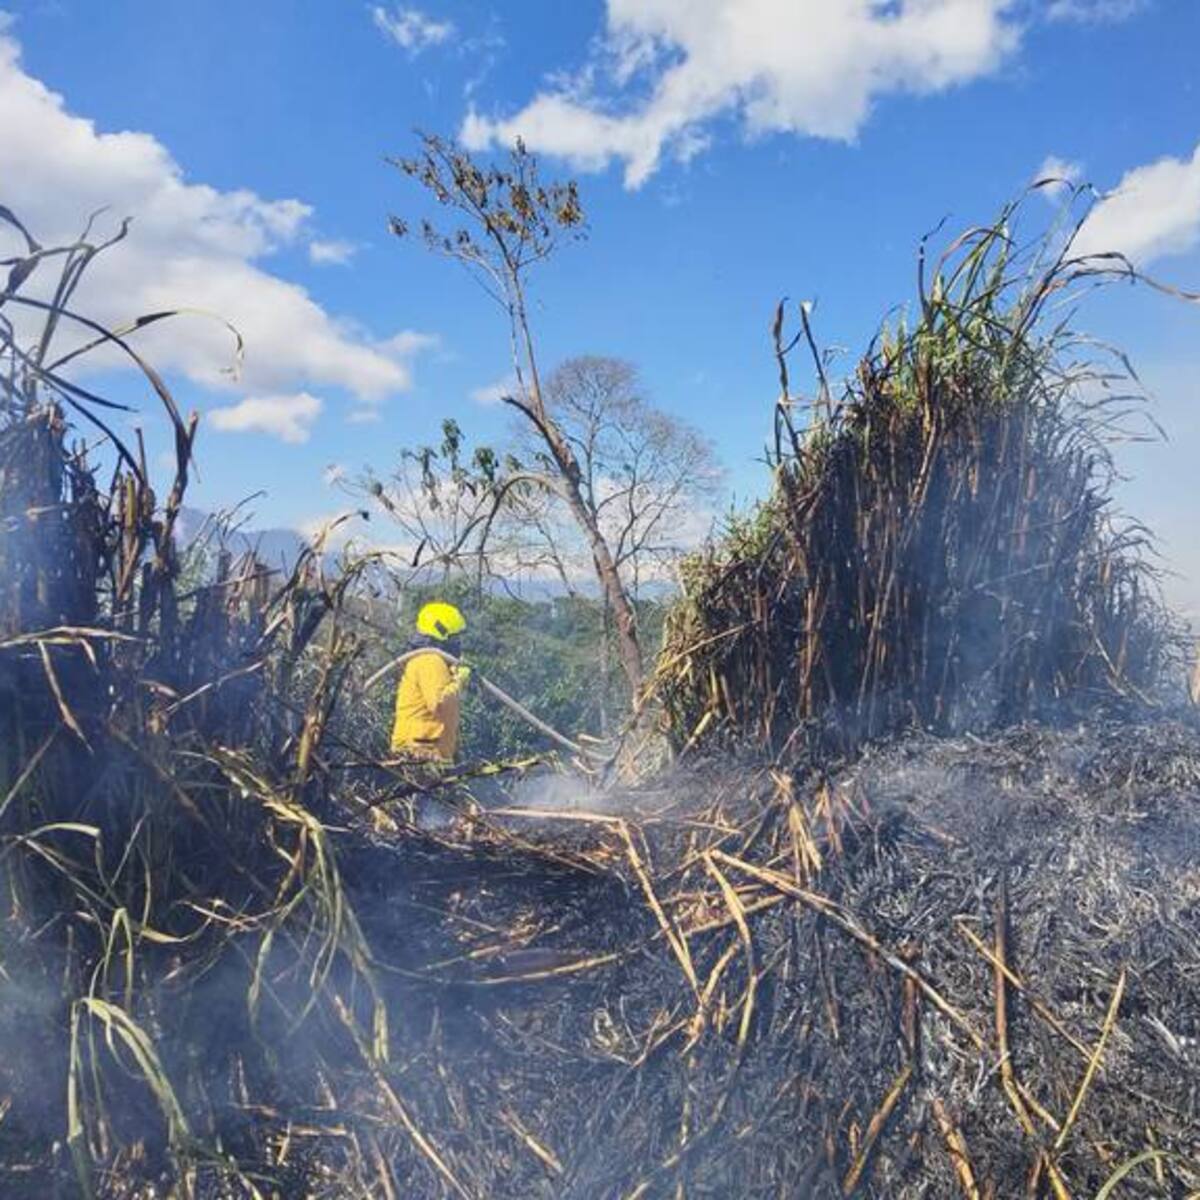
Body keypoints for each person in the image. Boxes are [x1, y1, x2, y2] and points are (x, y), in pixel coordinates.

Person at [390, 601, 472, 762]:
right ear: (441, 634)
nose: (458, 642)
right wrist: (460, 681)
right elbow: (440, 704)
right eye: (455, 637)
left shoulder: (432, 661)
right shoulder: (430, 661)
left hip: (426, 750)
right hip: (419, 753)